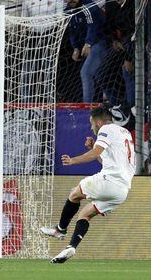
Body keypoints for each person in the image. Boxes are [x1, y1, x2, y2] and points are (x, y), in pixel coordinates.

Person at [41, 106, 135, 263]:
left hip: (110, 181)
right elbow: (106, 160)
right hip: (122, 191)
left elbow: (96, 153)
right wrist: (93, 147)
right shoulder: (123, 132)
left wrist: (73, 160)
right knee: (85, 214)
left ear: (99, 122)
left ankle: (59, 230)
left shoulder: (106, 129)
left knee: (74, 194)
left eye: (92, 124)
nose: (92, 128)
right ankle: (71, 247)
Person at [63, 0, 109, 104]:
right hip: (88, 45)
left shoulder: (87, 6)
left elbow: (92, 26)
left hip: (100, 42)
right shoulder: (68, 11)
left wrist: (87, 44)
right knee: (98, 75)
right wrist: (76, 48)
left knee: (86, 72)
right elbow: (72, 30)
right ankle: (111, 101)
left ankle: (85, 107)